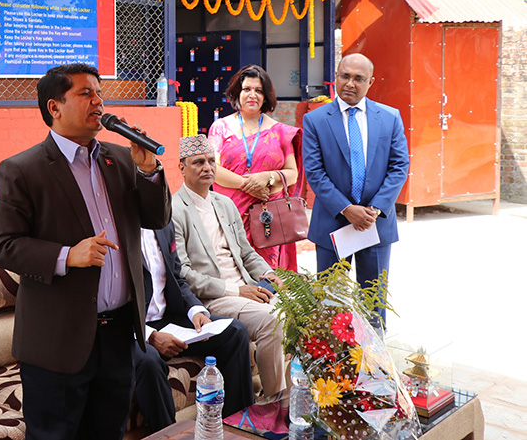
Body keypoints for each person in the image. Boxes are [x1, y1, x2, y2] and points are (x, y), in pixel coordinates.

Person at [0, 63, 171, 440]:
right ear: (55, 107)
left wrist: (150, 171)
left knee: (109, 432)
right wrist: (68, 255)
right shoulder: (23, 169)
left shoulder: (120, 159)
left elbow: (157, 218)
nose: (98, 102)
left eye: (100, 93)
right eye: (86, 93)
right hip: (58, 341)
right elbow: (1, 245)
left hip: (119, 334)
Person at [172, 134, 288, 405]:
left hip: (247, 288)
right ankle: (274, 405)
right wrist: (237, 289)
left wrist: (269, 274)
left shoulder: (224, 203)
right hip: (215, 297)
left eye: (211, 161)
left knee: (301, 306)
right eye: (198, 162)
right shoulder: (175, 209)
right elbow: (184, 273)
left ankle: (298, 400)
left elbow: (247, 253)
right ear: (181, 168)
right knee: (273, 319)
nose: (207, 167)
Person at [302, 53, 409, 327]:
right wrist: (347, 209)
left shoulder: (389, 117)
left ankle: (374, 367)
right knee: (329, 307)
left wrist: (374, 210)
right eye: (345, 76)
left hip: (375, 225)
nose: (350, 83)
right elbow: (314, 172)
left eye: (358, 78)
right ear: (336, 77)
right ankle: (331, 367)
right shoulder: (315, 120)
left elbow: (399, 166)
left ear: (370, 82)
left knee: (373, 306)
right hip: (332, 225)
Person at [132, 221, 254, 433]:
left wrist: (196, 311)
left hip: (166, 318)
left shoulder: (162, 224)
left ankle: (236, 428)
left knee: (235, 333)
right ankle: (168, 435)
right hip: (130, 327)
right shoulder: (115, 228)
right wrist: (150, 336)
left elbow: (177, 278)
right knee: (150, 361)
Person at [208, 65, 302, 270]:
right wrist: (248, 184)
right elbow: (212, 169)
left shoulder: (279, 132)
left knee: (268, 276)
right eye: (246, 89)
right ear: (237, 93)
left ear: (266, 96)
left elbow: (292, 173)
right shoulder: (221, 127)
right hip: (230, 214)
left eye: (258, 90)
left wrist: (267, 177)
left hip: (267, 219)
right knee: (233, 272)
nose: (252, 95)